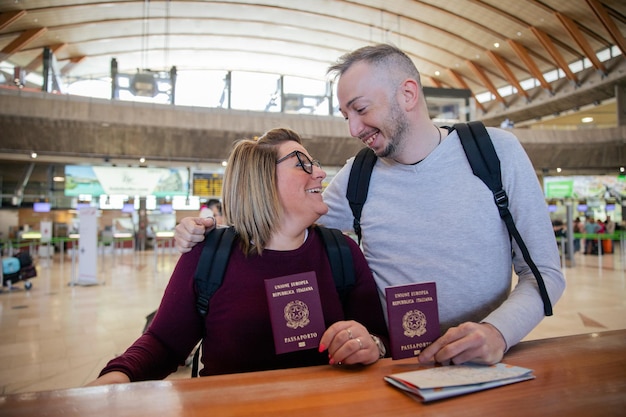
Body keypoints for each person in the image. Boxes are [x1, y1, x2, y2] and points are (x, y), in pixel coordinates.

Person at [174, 44, 565, 366]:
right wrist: (211, 232)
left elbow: (543, 272)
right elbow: (284, 223)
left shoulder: (494, 154)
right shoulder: (357, 176)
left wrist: (498, 332)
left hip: (482, 363)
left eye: (361, 110)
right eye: (346, 115)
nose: (354, 129)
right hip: (392, 369)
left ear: (407, 94)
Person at [86, 128, 388, 386]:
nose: (320, 173)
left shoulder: (341, 253)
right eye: (302, 164)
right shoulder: (210, 254)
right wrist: (115, 377)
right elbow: (164, 344)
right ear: (261, 179)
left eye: (316, 164)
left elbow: (379, 337)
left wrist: (369, 344)